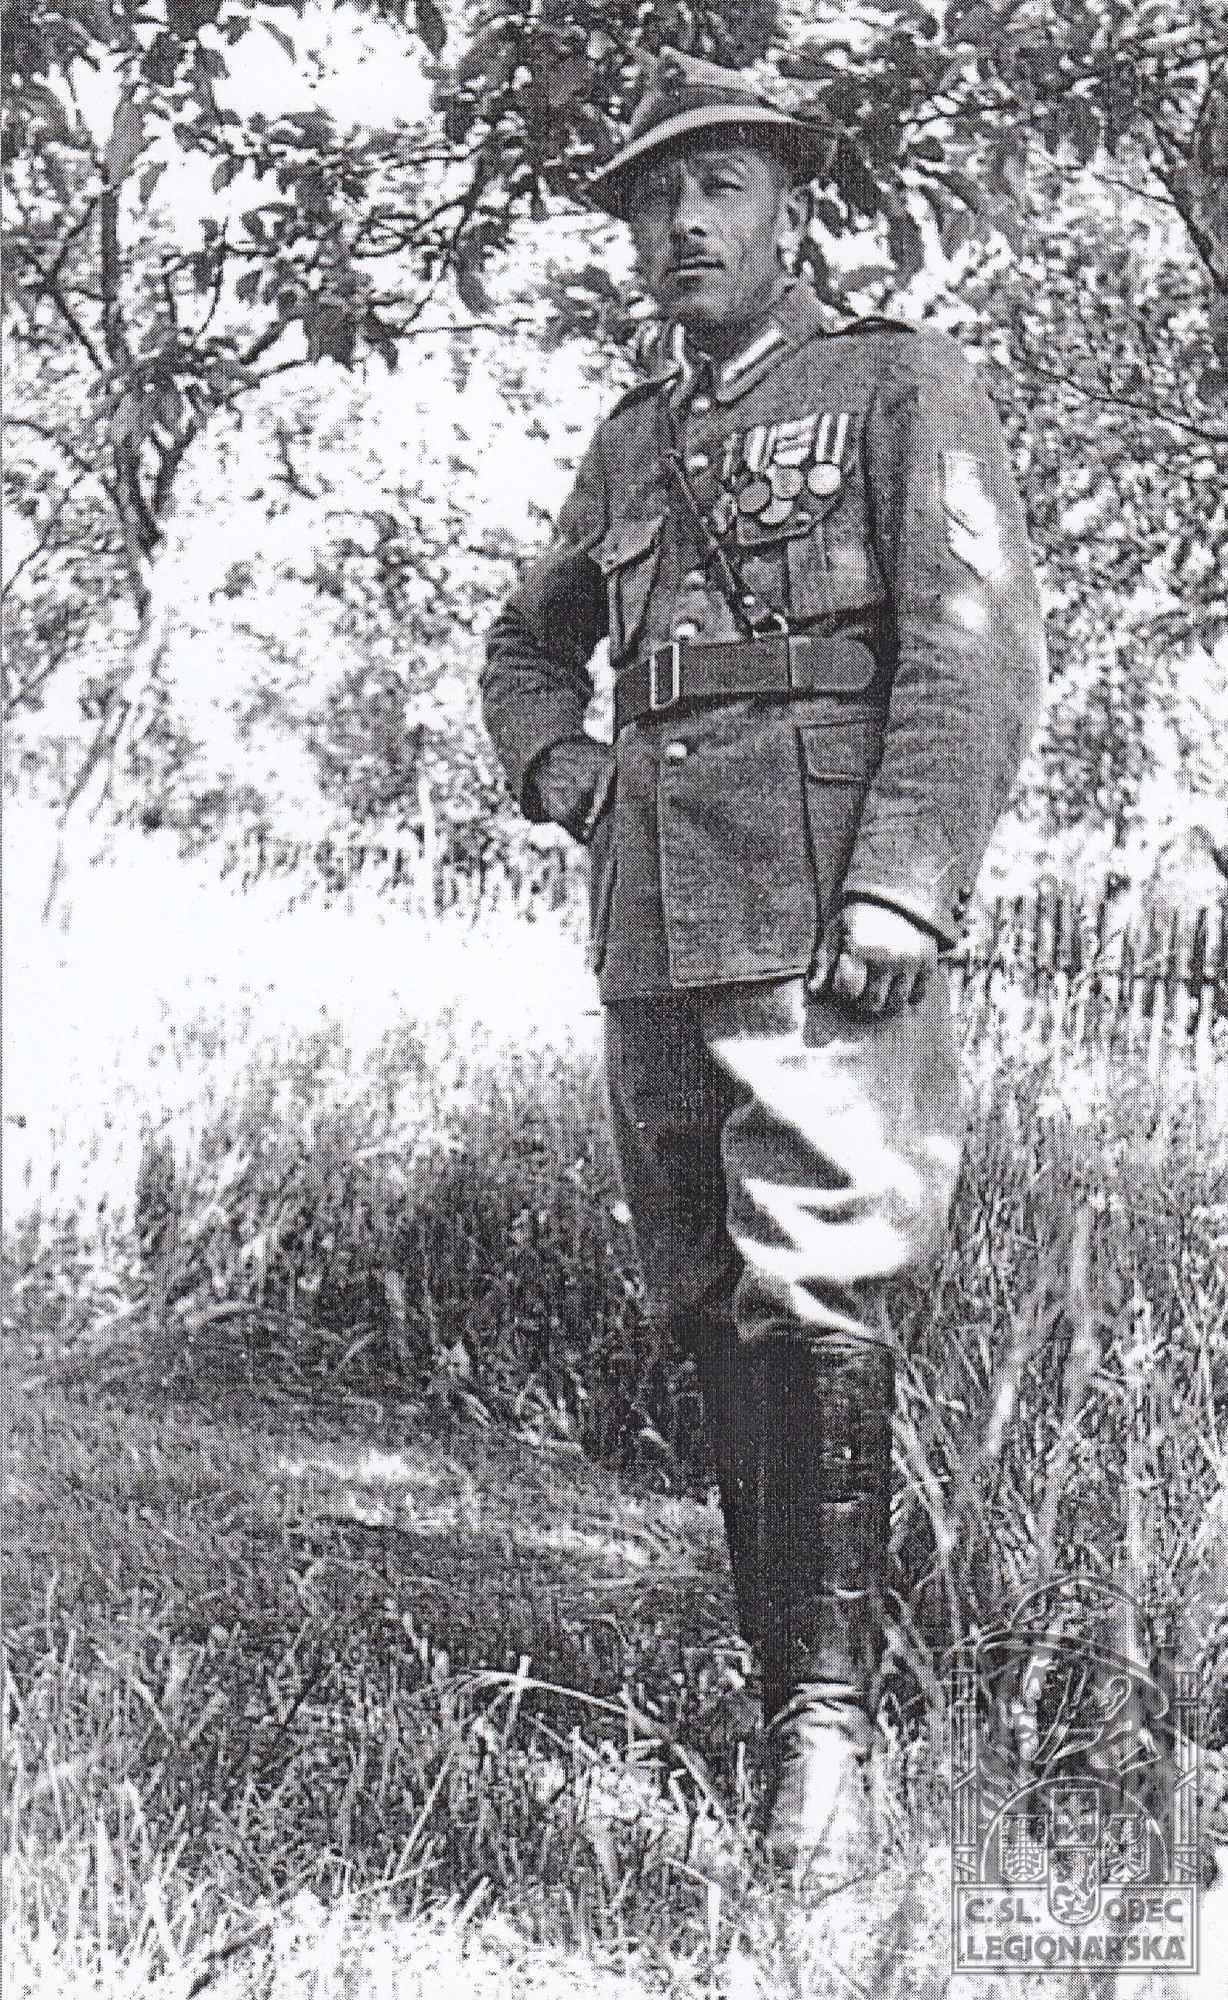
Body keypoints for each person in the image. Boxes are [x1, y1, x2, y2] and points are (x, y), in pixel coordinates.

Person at [482, 48, 1046, 1879]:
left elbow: (973, 647)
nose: (679, 225)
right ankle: (773, 1688)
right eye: (652, 199)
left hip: (820, 919)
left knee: (816, 1293)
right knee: (708, 1302)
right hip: (653, 925)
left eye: (715, 186)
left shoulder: (896, 381)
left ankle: (826, 1744)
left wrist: (906, 884)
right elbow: (526, 647)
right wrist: (559, 768)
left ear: (787, 205)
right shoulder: (631, 438)